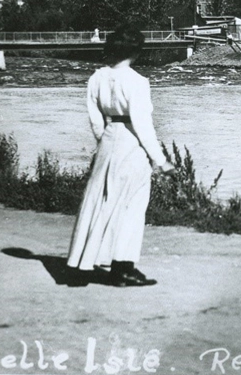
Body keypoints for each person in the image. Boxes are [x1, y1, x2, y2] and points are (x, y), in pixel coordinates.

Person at [67, 23, 174, 287]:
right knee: (132, 206)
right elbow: (142, 124)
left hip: (108, 139)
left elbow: (95, 120)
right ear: (136, 52)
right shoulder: (137, 81)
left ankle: (85, 261)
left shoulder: (96, 78)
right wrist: (160, 160)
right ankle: (123, 267)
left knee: (100, 200)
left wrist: (105, 142)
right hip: (130, 143)